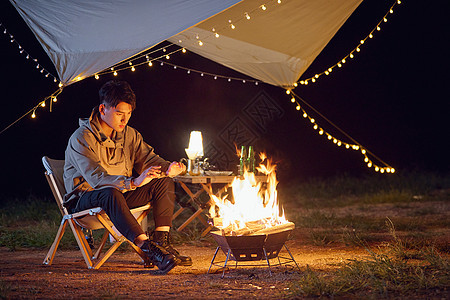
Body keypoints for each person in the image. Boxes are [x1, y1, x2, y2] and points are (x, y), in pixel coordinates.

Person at [63, 80, 191, 273]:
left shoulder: (128, 135)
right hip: (85, 200)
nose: (124, 120)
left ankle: (161, 244)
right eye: (119, 114)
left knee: (163, 181)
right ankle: (149, 249)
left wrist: (169, 168)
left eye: (128, 114)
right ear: (102, 109)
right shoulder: (82, 137)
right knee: (110, 193)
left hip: (119, 197)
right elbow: (96, 178)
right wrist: (134, 182)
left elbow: (149, 159)